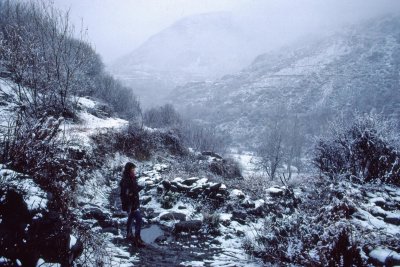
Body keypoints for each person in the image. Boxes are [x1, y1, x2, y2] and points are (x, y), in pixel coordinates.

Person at [119, 162, 145, 247]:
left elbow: (133, 189)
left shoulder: (132, 178)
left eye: (134, 169)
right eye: (133, 169)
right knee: (139, 219)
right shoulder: (126, 179)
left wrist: (140, 188)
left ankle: (129, 234)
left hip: (133, 202)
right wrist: (128, 203)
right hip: (130, 204)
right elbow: (124, 193)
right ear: (129, 170)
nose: (134, 170)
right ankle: (137, 238)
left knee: (130, 218)